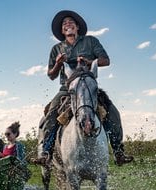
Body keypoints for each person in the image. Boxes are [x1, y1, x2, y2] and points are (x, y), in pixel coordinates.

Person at [33, 10, 134, 166]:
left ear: (77, 27)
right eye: (64, 23)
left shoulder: (91, 41)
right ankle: (46, 153)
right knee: (51, 114)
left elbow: (106, 60)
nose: (67, 24)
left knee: (113, 112)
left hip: (89, 87)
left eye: (71, 22)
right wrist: (59, 63)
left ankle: (118, 152)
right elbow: (51, 75)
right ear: (62, 30)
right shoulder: (56, 49)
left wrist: (89, 61)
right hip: (67, 90)